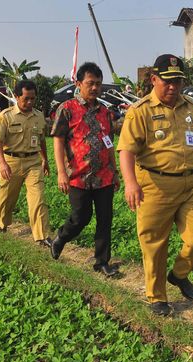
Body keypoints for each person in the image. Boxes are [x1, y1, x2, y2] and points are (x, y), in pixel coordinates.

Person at [118, 54, 193, 316]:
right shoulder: (140, 112)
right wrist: (130, 183)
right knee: (154, 243)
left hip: (192, 183)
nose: (173, 87)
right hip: (154, 184)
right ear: (154, 80)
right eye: (167, 81)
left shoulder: (191, 107)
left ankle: (179, 274)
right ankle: (156, 296)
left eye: (178, 81)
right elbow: (126, 150)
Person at [50, 62, 120, 277]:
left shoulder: (105, 113)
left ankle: (102, 262)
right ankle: (61, 237)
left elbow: (108, 142)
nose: (95, 88)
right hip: (78, 176)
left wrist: (115, 170)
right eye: (90, 83)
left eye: (98, 84)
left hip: (104, 176)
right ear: (79, 83)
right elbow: (58, 141)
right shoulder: (67, 109)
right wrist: (61, 171)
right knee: (80, 217)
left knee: (105, 219)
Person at [0, 79, 52, 246]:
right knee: (7, 197)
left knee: (38, 198)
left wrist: (45, 159)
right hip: (11, 161)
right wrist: (2, 163)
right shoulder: (5, 116)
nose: (30, 102)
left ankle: (42, 236)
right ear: (16, 97)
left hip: (33, 162)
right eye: (26, 98)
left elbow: (42, 140)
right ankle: (2, 223)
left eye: (33, 98)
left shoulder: (38, 116)